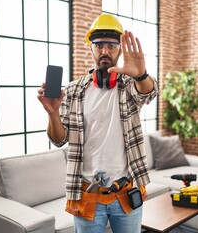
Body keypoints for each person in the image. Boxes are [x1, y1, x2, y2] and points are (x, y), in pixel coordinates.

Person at [37, 13, 158, 233]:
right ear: (91, 48)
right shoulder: (73, 90)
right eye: (99, 45)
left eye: (111, 46)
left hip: (125, 192)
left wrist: (141, 75)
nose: (105, 51)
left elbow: (148, 93)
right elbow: (58, 139)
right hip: (86, 194)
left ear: (120, 49)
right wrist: (52, 113)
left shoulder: (130, 85)